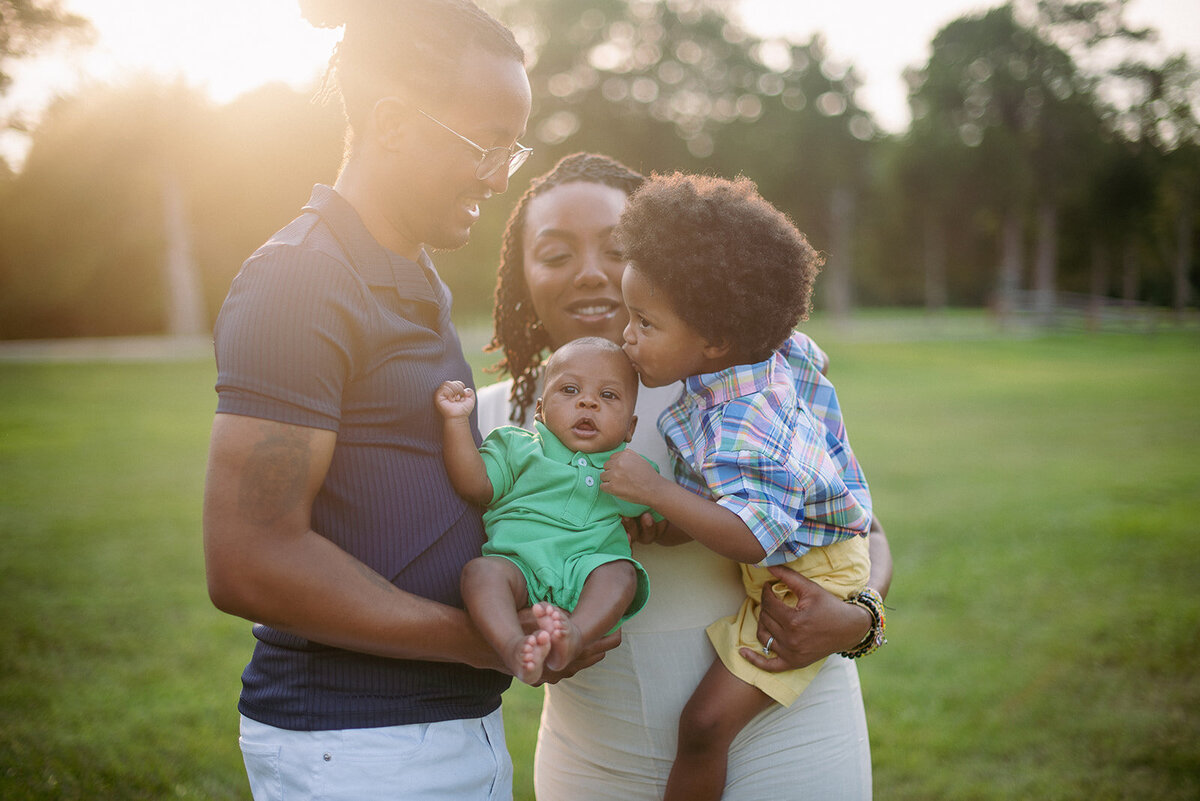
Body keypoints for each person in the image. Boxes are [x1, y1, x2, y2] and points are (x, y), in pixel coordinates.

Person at [201, 3, 607, 799]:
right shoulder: (302, 278)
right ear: (391, 123)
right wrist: (483, 640)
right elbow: (250, 559)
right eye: (484, 143)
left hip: (438, 729)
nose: (501, 175)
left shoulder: (413, 273)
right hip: (356, 742)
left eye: (511, 146)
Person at [475, 152, 894, 800]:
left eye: (615, 247)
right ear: (520, 272)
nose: (590, 273)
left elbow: (855, 523)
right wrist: (523, 627)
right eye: (556, 254)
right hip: (594, 760)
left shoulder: (739, 380)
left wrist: (860, 617)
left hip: (786, 736)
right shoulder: (488, 419)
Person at [601, 171, 878, 800]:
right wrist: (666, 526)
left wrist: (655, 491)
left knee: (703, 725)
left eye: (645, 322)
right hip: (788, 550)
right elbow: (806, 350)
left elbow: (754, 538)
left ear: (716, 340)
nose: (627, 335)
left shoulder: (745, 421)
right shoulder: (759, 356)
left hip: (811, 576)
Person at [435, 337, 654, 686]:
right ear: (540, 410)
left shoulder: (631, 472)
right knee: (480, 574)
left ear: (630, 427)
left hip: (588, 567)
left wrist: (662, 508)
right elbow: (474, 483)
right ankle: (511, 645)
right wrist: (457, 422)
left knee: (622, 574)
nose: (587, 402)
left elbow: (664, 522)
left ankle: (576, 635)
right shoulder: (517, 448)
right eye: (569, 389)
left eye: (608, 396)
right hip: (518, 564)